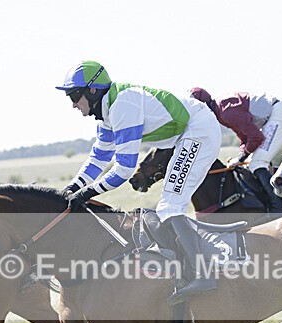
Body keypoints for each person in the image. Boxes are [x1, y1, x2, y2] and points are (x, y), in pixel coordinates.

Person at [56, 60, 222, 304]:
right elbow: (99, 159)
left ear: (92, 91)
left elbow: (124, 169)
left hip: (198, 130)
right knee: (169, 205)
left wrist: (86, 193)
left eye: (74, 96)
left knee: (170, 206)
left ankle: (202, 274)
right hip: (184, 134)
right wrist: (73, 187)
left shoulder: (123, 105)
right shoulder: (107, 115)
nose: (72, 104)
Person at [189, 88, 282, 214]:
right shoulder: (220, 112)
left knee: (258, 162)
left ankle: (278, 209)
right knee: (251, 162)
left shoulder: (225, 112)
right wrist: (241, 156)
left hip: (278, 115)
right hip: (272, 115)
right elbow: (245, 137)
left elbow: (256, 137)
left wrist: (240, 159)